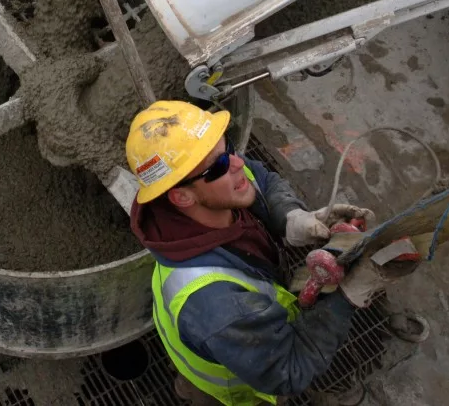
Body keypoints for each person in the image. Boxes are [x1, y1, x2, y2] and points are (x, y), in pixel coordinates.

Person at [125, 100, 381, 405]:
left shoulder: (212, 186)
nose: (236, 162)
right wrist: (346, 298)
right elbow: (288, 371)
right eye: (219, 165)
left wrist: (290, 217)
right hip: (233, 387)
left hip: (207, 341)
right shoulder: (217, 305)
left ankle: (183, 387)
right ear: (181, 196)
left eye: (228, 146)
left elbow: (261, 178)